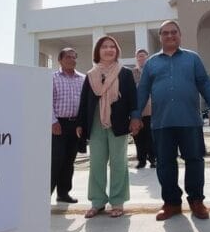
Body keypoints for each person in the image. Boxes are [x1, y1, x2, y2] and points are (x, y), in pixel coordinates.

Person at [131, 20, 210, 221]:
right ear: (160, 37)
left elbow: (204, 83)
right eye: (165, 33)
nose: (170, 35)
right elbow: (143, 91)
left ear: (180, 35)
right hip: (162, 122)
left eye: (173, 32)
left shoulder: (192, 59)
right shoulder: (151, 63)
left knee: (195, 161)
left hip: (190, 120)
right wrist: (136, 115)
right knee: (165, 164)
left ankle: (196, 201)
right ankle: (172, 203)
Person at [75, 36, 138, 218]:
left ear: (117, 51)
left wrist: (135, 118)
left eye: (112, 47)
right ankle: (97, 202)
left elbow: (133, 99)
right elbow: (84, 101)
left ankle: (117, 202)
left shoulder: (125, 73)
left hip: (118, 122)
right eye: (104, 47)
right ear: (98, 51)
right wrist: (80, 123)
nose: (109, 50)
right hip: (95, 123)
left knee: (118, 163)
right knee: (96, 163)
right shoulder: (90, 75)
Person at [51, 47, 85, 204]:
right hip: (58, 124)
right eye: (68, 57)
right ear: (60, 60)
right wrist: (53, 121)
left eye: (74, 57)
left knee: (69, 160)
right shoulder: (53, 78)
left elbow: (84, 104)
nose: (72, 60)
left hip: (75, 125)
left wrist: (81, 123)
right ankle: (44, 195)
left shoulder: (83, 79)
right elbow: (47, 101)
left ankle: (63, 193)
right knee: (56, 160)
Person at [132, 49, 156, 169]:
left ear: (147, 57)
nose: (141, 58)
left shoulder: (152, 71)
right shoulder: (132, 73)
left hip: (150, 110)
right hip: (136, 111)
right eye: (139, 56)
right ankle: (141, 160)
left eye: (143, 56)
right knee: (138, 137)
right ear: (136, 58)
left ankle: (153, 159)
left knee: (150, 136)